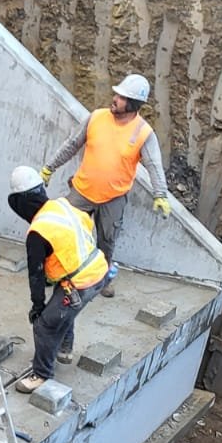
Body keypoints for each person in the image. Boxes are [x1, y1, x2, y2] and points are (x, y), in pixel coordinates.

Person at [40, 74, 172, 295]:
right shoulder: (96, 117)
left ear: (133, 104)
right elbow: (72, 144)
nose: (115, 99)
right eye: (116, 94)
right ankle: (59, 272)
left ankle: (101, 279)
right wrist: (49, 168)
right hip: (82, 191)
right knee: (66, 232)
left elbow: (154, 165)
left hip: (113, 197)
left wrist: (160, 194)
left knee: (107, 240)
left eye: (121, 97)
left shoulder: (143, 133)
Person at [7, 166, 110, 394]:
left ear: (20, 203)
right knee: (63, 307)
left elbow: (36, 275)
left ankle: (41, 374)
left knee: (45, 324)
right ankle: (64, 349)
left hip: (80, 283)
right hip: (99, 271)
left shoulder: (38, 231)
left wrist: (37, 307)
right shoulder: (62, 206)